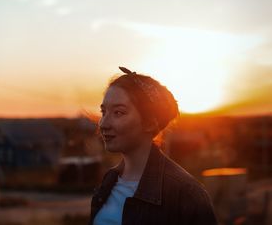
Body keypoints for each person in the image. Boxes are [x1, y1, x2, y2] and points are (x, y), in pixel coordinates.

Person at [90, 67, 217, 225]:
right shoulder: (109, 180)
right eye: (104, 112)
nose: (103, 124)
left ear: (150, 123)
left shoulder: (186, 194)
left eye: (118, 113)